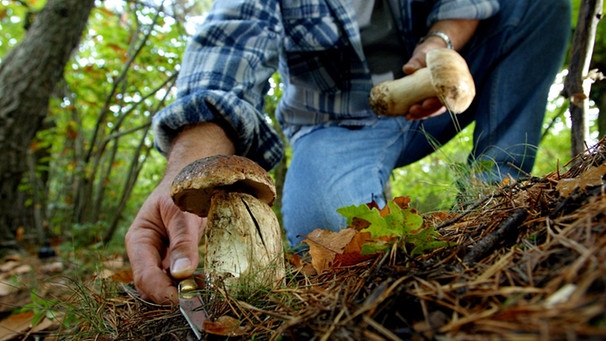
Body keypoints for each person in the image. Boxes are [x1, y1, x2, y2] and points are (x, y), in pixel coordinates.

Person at [125, 0, 571, 303]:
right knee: (331, 237)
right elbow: (231, 42)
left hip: (432, 96)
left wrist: (440, 41)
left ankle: (499, 193)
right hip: (335, 124)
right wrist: (191, 162)